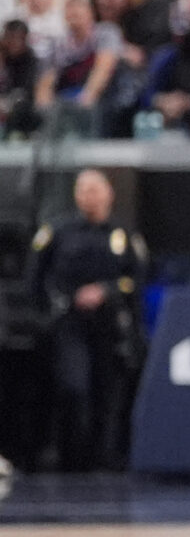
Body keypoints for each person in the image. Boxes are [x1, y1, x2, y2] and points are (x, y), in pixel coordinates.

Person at [30, 168, 144, 471]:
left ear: (108, 194)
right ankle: (71, 458)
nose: (88, 196)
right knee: (74, 386)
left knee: (107, 392)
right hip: (70, 322)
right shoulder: (58, 231)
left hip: (110, 324)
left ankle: (104, 458)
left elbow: (137, 278)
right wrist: (48, 313)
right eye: (82, 190)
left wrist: (107, 291)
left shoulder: (122, 233)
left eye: (94, 190)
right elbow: (36, 277)